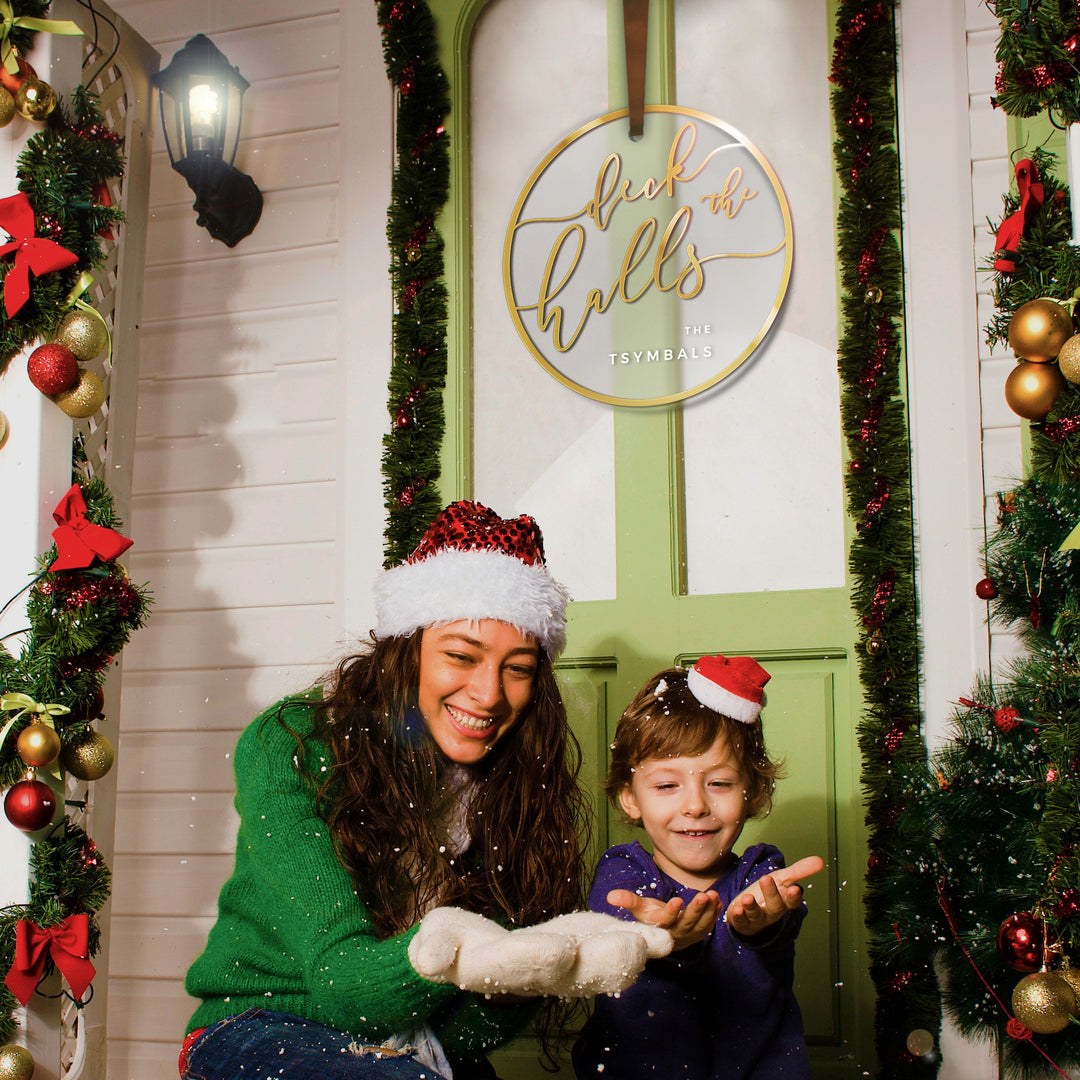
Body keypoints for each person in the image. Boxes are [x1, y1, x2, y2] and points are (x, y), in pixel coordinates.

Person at [179, 500, 671, 1080]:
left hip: (414, 1045)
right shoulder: (294, 744)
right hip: (261, 1028)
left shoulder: (513, 789)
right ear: (406, 649)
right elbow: (345, 989)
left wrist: (524, 976)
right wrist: (458, 947)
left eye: (518, 668)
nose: (489, 694)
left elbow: (464, 1034)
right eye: (461, 655)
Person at [572, 654, 825, 1080]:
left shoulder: (760, 872)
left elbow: (779, 913)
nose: (694, 805)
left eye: (719, 783)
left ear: (755, 792)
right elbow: (613, 914)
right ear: (630, 798)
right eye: (667, 785)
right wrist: (651, 935)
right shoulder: (624, 871)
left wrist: (755, 925)